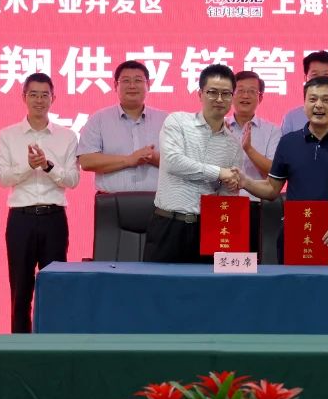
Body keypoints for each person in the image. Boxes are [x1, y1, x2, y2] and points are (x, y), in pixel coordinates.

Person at [239, 76, 328, 264]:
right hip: (295, 235)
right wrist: (245, 182)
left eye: (326, 100)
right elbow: (271, 189)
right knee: (293, 283)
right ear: (304, 105)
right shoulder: (288, 142)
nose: (318, 105)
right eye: (312, 99)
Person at [0, 73, 80, 333]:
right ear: (24, 97)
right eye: (33, 94)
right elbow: (2, 178)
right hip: (20, 219)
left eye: (45, 95)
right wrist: (28, 166)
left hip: (54, 218)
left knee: (55, 287)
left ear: (53, 98)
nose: (39, 100)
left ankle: (53, 344)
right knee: (20, 289)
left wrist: (47, 166)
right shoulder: (8, 135)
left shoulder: (67, 136)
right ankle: (20, 346)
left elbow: (73, 180)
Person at [146, 64, 245, 263]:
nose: (219, 99)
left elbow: (226, 194)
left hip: (209, 229)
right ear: (200, 94)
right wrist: (219, 173)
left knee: (207, 283)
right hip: (169, 224)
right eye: (212, 92)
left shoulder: (234, 144)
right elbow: (173, 162)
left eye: (226, 94)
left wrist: (232, 185)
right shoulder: (177, 122)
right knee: (158, 282)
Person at [77, 61, 168, 193]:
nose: (132, 86)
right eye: (126, 81)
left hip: (159, 200)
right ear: (115, 85)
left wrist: (153, 157)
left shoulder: (166, 121)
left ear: (148, 85)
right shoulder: (99, 119)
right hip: (112, 200)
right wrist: (129, 160)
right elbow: (86, 161)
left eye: (138, 80)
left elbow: (180, 164)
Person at [226, 70, 281, 253]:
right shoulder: (219, 126)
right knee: (218, 262)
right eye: (240, 90)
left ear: (260, 97)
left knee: (251, 262)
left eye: (251, 91)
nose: (245, 96)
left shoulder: (272, 131)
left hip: (256, 206)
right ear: (231, 95)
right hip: (222, 206)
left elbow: (274, 172)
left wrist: (249, 149)